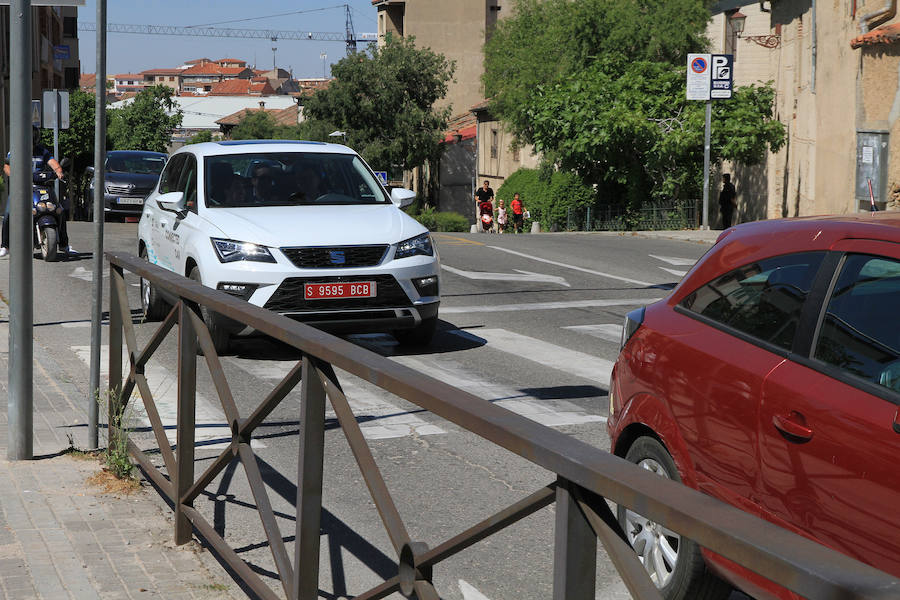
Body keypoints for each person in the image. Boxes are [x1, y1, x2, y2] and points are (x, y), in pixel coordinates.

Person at [1, 126, 70, 258]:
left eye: (32, 142)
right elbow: (7, 167)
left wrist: (59, 173)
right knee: (8, 214)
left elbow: (54, 164)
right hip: (20, 187)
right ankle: (5, 246)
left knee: (58, 210)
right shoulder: (16, 151)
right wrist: (14, 176)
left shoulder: (42, 152)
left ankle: (64, 244)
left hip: (40, 186)